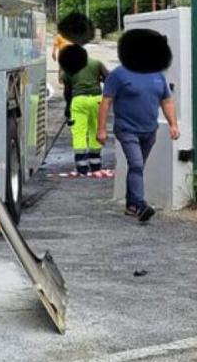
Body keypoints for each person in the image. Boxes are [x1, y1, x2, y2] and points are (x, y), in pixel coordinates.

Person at [96, 28, 179, 223]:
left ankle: (131, 206)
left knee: (137, 168)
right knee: (136, 164)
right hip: (127, 129)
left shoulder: (157, 75)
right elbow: (106, 101)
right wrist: (101, 129)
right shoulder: (118, 75)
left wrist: (173, 124)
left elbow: (166, 101)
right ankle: (140, 205)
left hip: (149, 130)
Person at [59, 44, 109, 177]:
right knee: (95, 129)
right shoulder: (96, 63)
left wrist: (68, 108)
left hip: (79, 101)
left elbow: (67, 90)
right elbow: (109, 79)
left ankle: (81, 167)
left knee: (79, 132)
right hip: (97, 100)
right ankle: (96, 165)